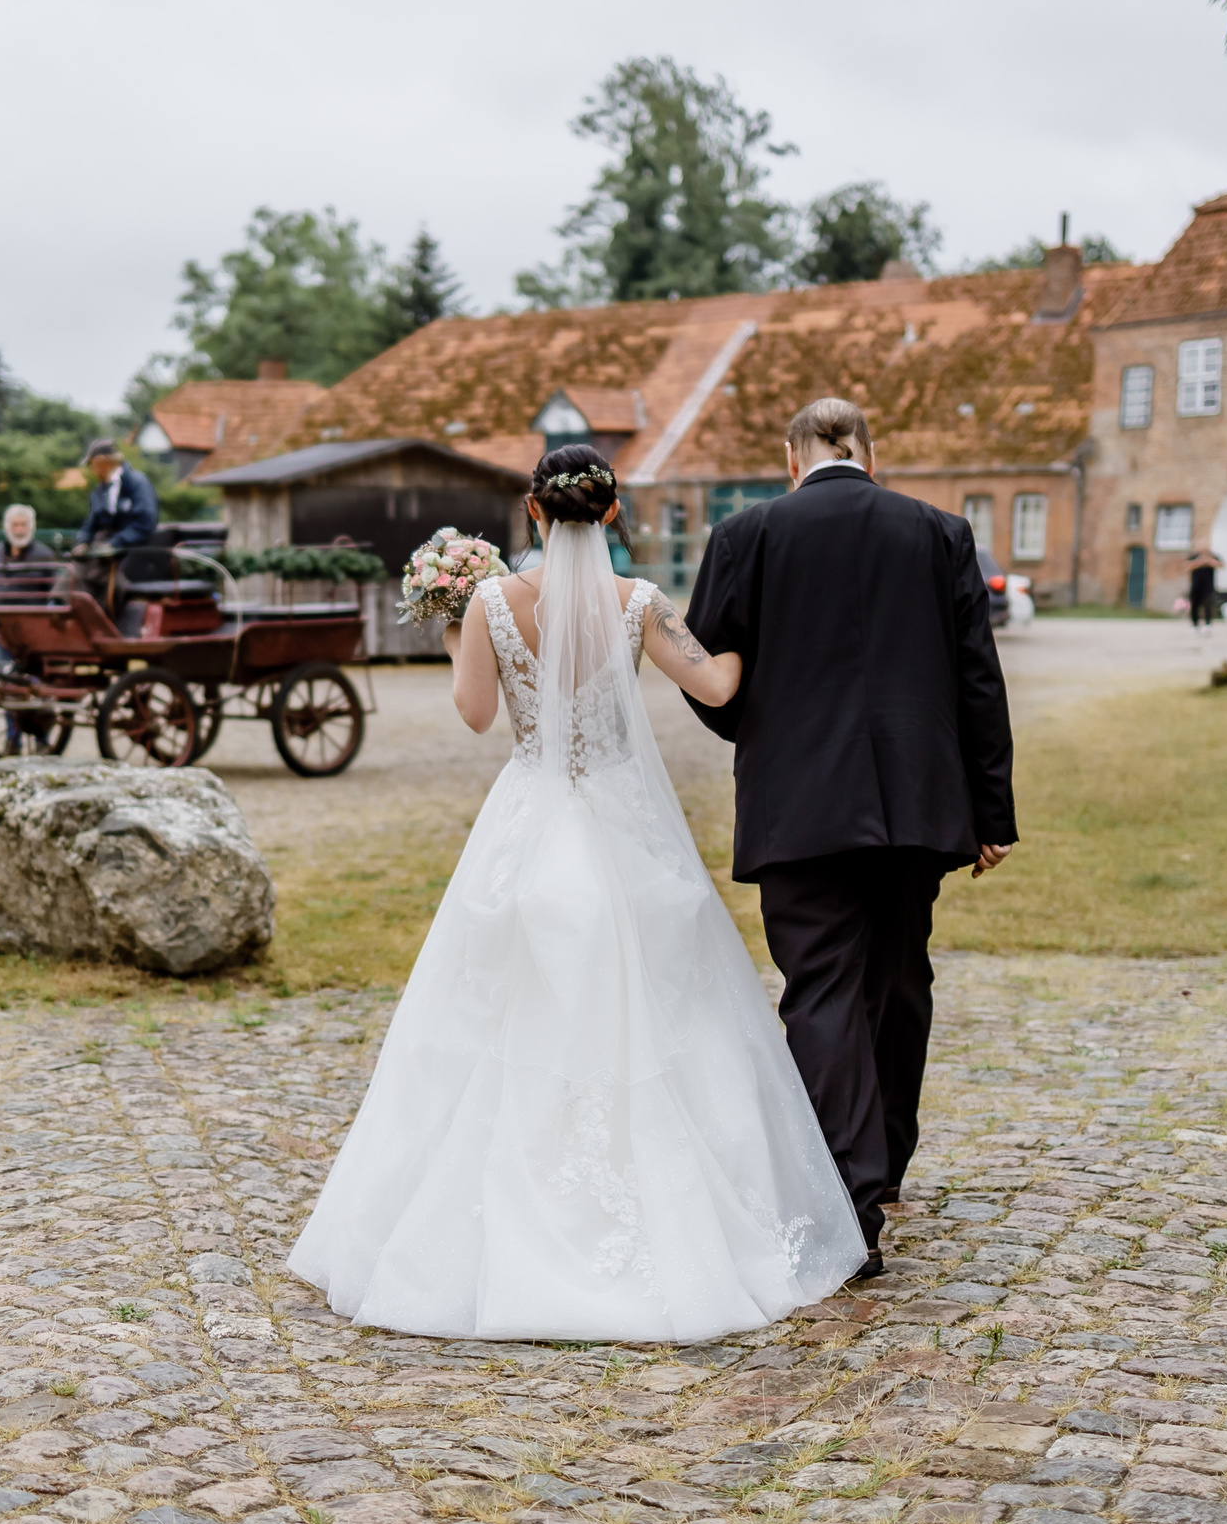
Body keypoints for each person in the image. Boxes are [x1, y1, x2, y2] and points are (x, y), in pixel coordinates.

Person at [288, 444, 863, 1341]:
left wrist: (454, 626)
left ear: (531, 510)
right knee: (668, 1012)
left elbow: (476, 712)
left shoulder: (488, 602)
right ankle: (687, 1230)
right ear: (613, 512)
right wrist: (760, 631)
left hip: (529, 822)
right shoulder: (640, 605)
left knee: (499, 1015)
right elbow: (715, 681)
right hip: (625, 826)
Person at [681, 398, 1016, 1277]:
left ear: (791, 459)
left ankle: (849, 1207)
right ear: (871, 452)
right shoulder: (939, 533)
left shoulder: (743, 537)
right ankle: (887, 1165)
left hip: (800, 805)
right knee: (901, 978)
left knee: (822, 987)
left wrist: (772, 737)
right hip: (917, 804)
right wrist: (992, 812)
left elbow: (706, 675)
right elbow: (978, 678)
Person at [0, 504, 57, 753]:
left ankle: (42, 741)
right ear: (7, 527)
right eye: (15, 525)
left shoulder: (44, 555)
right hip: (4, 635)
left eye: (23, 525)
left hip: (33, 635)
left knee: (35, 687)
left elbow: (55, 594)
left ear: (31, 527)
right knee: (7, 687)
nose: (19, 529)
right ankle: (12, 739)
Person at [73, 440, 158, 554]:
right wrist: (82, 542)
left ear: (101, 462)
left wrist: (115, 544)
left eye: (91, 463)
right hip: (104, 550)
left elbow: (145, 522)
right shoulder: (99, 491)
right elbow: (91, 523)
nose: (91, 469)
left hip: (134, 551)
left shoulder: (137, 483)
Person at [1187, 549, 1223, 636]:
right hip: (1196, 586)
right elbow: (1188, 566)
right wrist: (1201, 562)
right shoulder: (1194, 557)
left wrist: (1209, 561)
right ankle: (1195, 626)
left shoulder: (1213, 556)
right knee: (1194, 606)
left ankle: (1208, 625)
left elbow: (1221, 565)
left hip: (1208, 586)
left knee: (1208, 605)